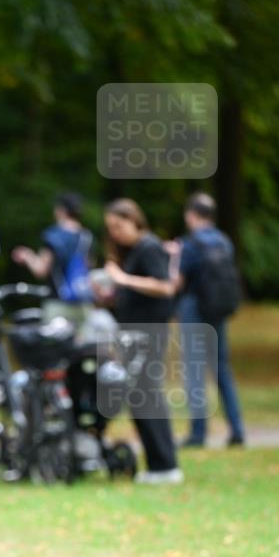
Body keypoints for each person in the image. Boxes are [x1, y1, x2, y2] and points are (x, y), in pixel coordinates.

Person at [100, 199, 183, 485]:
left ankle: (166, 465)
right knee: (139, 397)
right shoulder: (131, 251)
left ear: (135, 221)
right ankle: (158, 465)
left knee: (147, 396)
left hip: (150, 331)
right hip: (131, 332)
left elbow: (165, 286)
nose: (115, 233)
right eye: (110, 228)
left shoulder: (149, 247)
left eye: (119, 226)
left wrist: (123, 279)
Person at [172, 193, 245, 448]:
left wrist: (172, 259)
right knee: (221, 369)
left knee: (194, 370)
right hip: (217, 310)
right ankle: (237, 429)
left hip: (194, 308)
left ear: (191, 214)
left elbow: (177, 281)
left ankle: (198, 432)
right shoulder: (224, 242)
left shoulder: (190, 243)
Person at [12, 191, 93, 305]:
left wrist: (28, 256)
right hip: (83, 302)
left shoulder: (53, 235)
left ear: (61, 210)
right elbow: (88, 267)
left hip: (58, 302)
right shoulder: (87, 236)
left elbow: (40, 270)